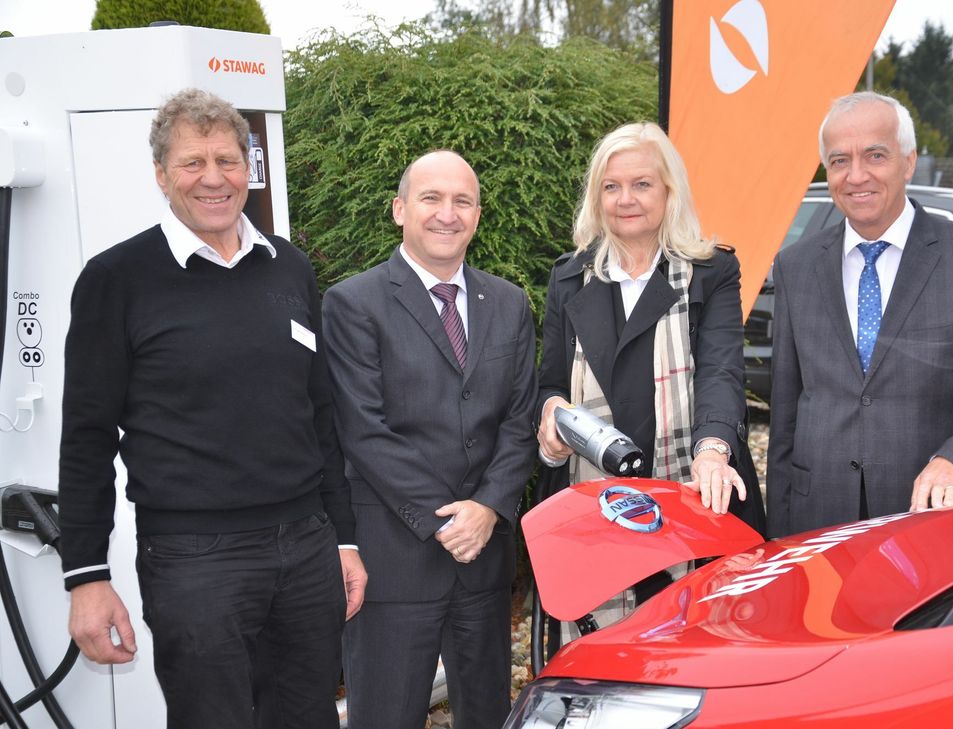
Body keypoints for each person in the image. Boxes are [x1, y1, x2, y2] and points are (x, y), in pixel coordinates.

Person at [58, 88, 366, 728]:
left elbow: (319, 414)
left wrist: (344, 538)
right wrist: (85, 576)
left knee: (308, 717)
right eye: (193, 163)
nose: (213, 178)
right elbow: (86, 435)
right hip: (196, 559)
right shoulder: (116, 279)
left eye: (227, 160)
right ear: (162, 176)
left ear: (249, 169)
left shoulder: (289, 267)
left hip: (307, 546)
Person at [322, 150, 537, 729]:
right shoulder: (352, 303)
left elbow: (519, 422)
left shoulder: (510, 304)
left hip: (484, 560)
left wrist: (488, 508)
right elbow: (363, 430)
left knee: (487, 715)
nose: (448, 214)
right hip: (395, 559)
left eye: (462, 201)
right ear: (399, 210)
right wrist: (448, 521)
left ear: (477, 214)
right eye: (431, 199)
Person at [766, 91, 953, 538]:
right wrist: (776, 534)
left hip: (930, 519)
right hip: (816, 519)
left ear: (908, 162)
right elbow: (786, 410)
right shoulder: (796, 265)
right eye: (839, 161)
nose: (856, 175)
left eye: (875, 155)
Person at [537, 121, 766, 535]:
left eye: (641, 184)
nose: (625, 200)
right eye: (611, 187)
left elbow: (721, 372)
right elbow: (550, 384)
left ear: (668, 192)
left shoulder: (710, 273)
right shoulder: (569, 278)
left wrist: (713, 451)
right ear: (596, 196)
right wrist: (551, 411)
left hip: (693, 493)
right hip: (592, 498)